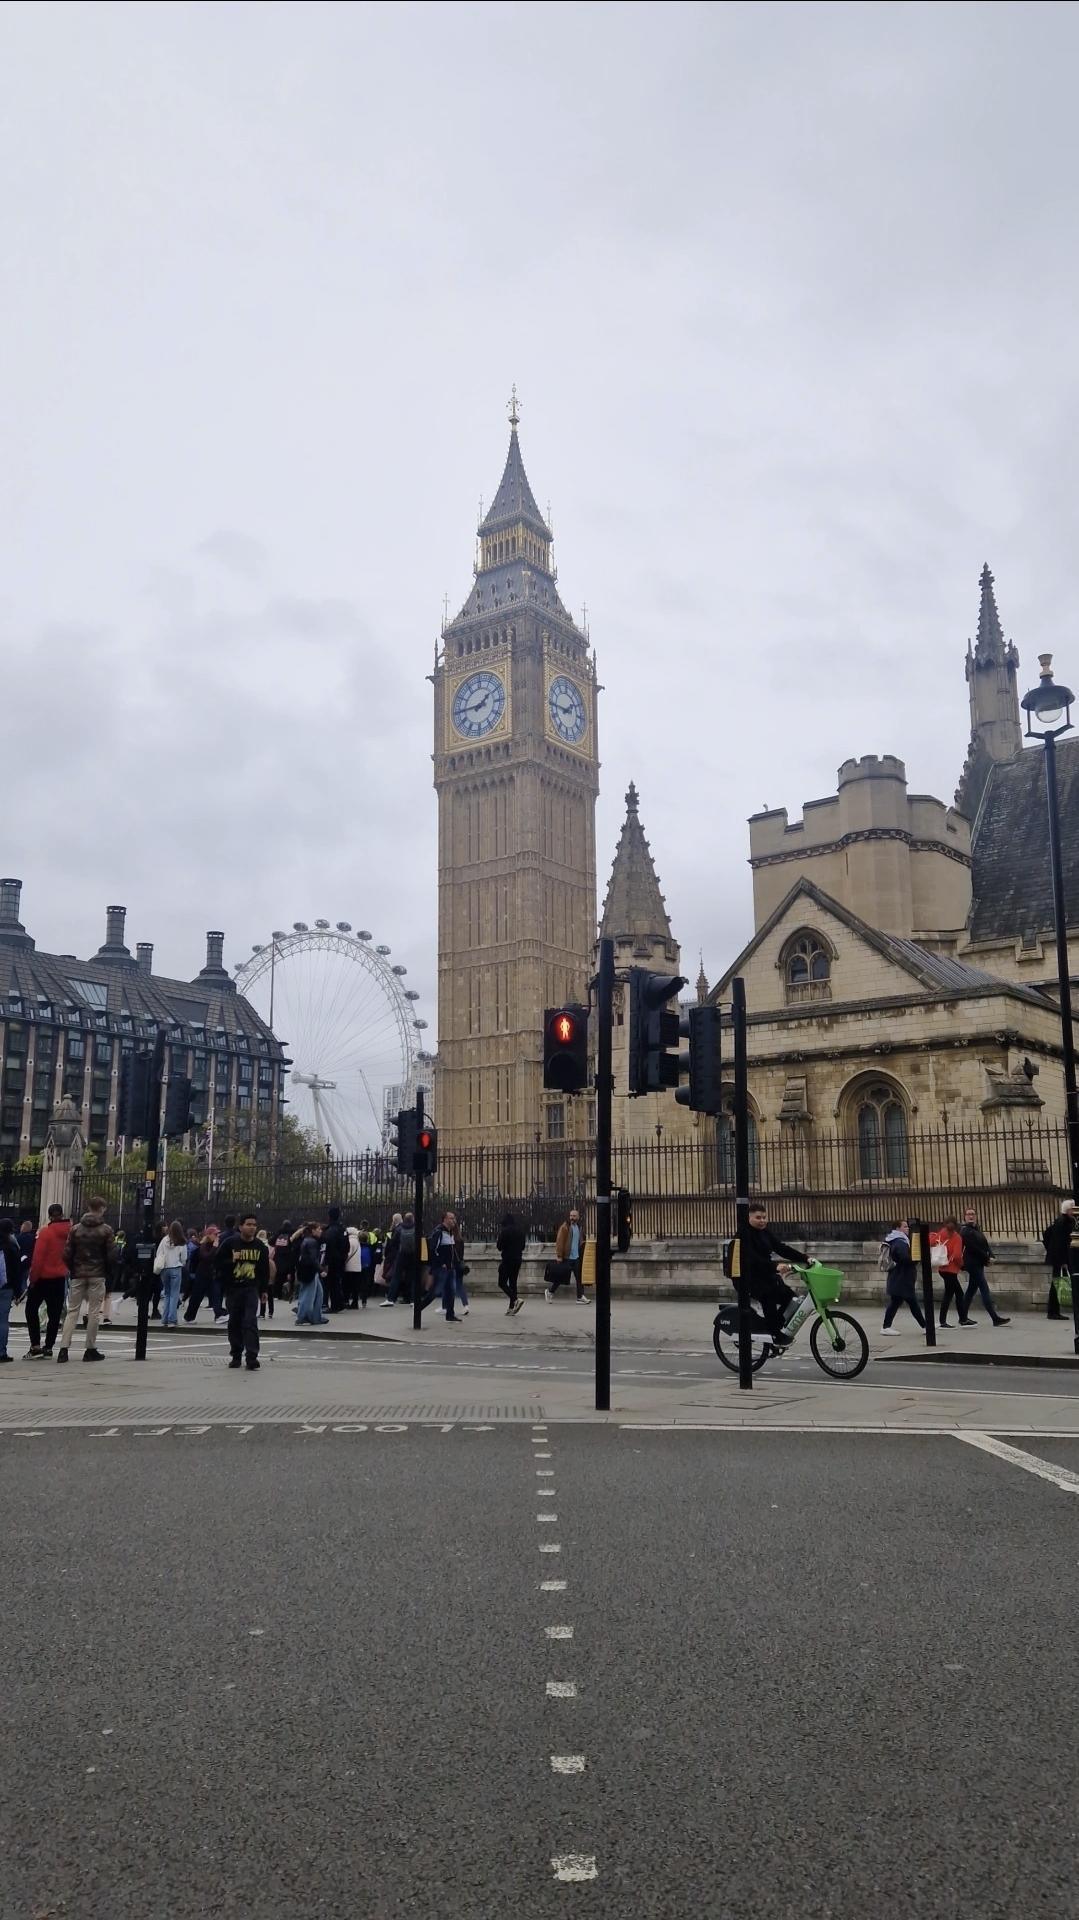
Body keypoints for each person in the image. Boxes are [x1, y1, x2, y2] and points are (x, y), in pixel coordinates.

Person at [57, 1196, 115, 1363]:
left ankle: (63, 1349)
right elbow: (112, 1255)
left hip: (78, 1273)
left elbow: (66, 1253)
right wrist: (107, 1271)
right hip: (97, 1274)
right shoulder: (106, 1230)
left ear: (89, 1207)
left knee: (72, 1311)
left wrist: (73, 1268)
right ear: (102, 1208)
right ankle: (90, 1349)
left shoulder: (75, 1229)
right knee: (94, 1312)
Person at [741, 1203, 808, 1343]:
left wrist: (805, 1258)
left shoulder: (765, 1232)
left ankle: (772, 1325)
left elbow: (781, 1248)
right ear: (748, 1218)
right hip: (749, 1278)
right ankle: (774, 1333)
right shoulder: (743, 1234)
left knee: (791, 1298)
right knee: (768, 1297)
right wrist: (775, 1266)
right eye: (758, 1217)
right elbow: (752, 1259)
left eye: (764, 1217)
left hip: (765, 1275)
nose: (762, 1221)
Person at [219, 1212, 267, 1370]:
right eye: (248, 1224)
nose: (252, 1228)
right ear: (241, 1227)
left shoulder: (260, 1247)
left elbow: (263, 1269)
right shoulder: (230, 1243)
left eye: (254, 1225)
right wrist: (231, 1260)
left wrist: (264, 1290)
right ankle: (236, 1355)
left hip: (251, 1288)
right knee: (234, 1322)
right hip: (234, 1288)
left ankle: (252, 1357)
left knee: (250, 1321)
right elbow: (217, 1262)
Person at [24, 1202, 71, 1358]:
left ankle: (35, 1346)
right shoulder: (70, 1232)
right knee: (54, 1313)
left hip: (43, 1278)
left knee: (31, 1310)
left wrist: (33, 1278)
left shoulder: (46, 1233)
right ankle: (49, 1347)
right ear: (62, 1214)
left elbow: (38, 1259)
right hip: (59, 1278)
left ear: (50, 1215)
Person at [960, 1207, 1009, 1327]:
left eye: (973, 1214)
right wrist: (986, 1258)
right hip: (973, 1264)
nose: (971, 1216)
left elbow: (985, 1245)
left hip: (979, 1263)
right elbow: (973, 1248)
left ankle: (963, 1318)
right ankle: (995, 1318)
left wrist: (991, 1255)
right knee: (984, 1289)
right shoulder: (965, 1231)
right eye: (968, 1214)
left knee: (971, 1291)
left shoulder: (977, 1229)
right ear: (965, 1217)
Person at [880, 1220, 927, 1334]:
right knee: (911, 1302)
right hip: (902, 1277)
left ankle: (886, 1327)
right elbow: (905, 1258)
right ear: (897, 1228)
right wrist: (915, 1259)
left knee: (897, 1302)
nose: (908, 1229)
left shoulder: (895, 1240)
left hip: (899, 1277)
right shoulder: (900, 1242)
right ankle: (925, 1326)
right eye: (905, 1226)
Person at [423, 1211, 465, 1321]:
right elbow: (433, 1249)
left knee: (451, 1291)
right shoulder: (439, 1232)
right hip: (442, 1268)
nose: (453, 1221)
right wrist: (441, 1263)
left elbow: (450, 1251)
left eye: (454, 1218)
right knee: (435, 1291)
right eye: (451, 1218)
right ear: (444, 1219)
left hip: (450, 1268)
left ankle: (450, 1315)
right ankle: (418, 1309)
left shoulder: (450, 1233)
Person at [933, 1217, 973, 1328]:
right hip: (951, 1269)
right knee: (957, 1294)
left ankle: (947, 1320)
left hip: (942, 1268)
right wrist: (962, 1266)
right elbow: (956, 1256)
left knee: (949, 1294)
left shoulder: (941, 1233)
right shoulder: (957, 1237)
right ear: (956, 1225)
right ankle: (961, 1319)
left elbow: (931, 1242)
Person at [1041, 1201, 1078, 1320]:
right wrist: (1062, 1261)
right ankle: (1052, 1312)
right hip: (1061, 1259)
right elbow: (1060, 1243)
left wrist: (1049, 1250)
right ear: (1068, 1210)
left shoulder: (1063, 1221)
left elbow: (1046, 1235)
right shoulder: (1063, 1222)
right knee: (1057, 1284)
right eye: (1073, 1209)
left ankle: (1053, 1311)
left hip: (1060, 1258)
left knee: (1056, 1284)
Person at [153, 1220, 188, 1328]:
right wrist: (181, 1263)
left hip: (165, 1269)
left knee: (167, 1294)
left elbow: (159, 1254)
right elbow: (184, 1257)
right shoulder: (181, 1241)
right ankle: (172, 1319)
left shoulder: (165, 1240)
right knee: (174, 1294)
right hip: (176, 1268)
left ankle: (165, 1319)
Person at [183, 1227, 220, 1321]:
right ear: (209, 1235)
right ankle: (189, 1316)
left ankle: (220, 1314)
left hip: (211, 1273)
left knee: (216, 1294)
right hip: (202, 1273)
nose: (217, 1237)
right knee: (197, 1296)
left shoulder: (216, 1245)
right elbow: (206, 1257)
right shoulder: (203, 1245)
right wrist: (215, 1247)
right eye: (215, 1234)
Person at [547, 1209, 585, 1302]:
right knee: (561, 1277)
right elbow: (559, 1241)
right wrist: (559, 1256)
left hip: (576, 1257)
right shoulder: (565, 1227)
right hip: (567, 1257)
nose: (572, 1217)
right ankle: (550, 1292)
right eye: (571, 1215)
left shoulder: (579, 1227)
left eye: (574, 1216)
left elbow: (580, 1240)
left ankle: (580, 1297)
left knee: (579, 1278)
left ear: (578, 1217)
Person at [294, 1223, 327, 1325]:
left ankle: (316, 1317)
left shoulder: (305, 1240)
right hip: (310, 1271)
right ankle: (303, 1317)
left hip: (305, 1270)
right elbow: (313, 1259)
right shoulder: (312, 1242)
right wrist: (321, 1270)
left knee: (319, 1294)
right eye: (318, 1229)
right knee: (308, 1295)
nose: (321, 1231)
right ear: (313, 1230)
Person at [0, 1216, 22, 1362]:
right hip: (6, 1287)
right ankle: (1, 1352)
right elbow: (16, 1271)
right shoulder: (12, 1246)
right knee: (2, 1320)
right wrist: (18, 1291)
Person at [496, 1211, 526, 1315]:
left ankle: (515, 1299)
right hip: (518, 1259)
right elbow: (523, 1246)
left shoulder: (504, 1231)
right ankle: (511, 1308)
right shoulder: (521, 1231)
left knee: (502, 1282)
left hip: (507, 1259)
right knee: (513, 1283)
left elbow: (499, 1247)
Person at [322, 1206, 348, 1314]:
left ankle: (334, 1305)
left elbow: (328, 1247)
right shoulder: (343, 1229)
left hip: (332, 1260)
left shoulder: (330, 1230)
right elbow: (347, 1246)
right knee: (336, 1282)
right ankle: (338, 1303)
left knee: (330, 1283)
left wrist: (326, 1262)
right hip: (340, 1259)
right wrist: (343, 1256)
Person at [379, 1214, 404, 1304]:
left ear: (394, 1220)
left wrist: (387, 1256)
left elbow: (392, 1244)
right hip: (406, 1254)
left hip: (396, 1256)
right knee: (406, 1276)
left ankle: (391, 1298)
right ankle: (408, 1297)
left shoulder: (396, 1230)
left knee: (395, 1276)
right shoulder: (406, 1228)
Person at [272, 1221, 298, 1302]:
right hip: (289, 1258)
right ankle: (290, 1293)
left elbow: (271, 1241)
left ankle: (277, 1294)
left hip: (278, 1258)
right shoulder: (291, 1235)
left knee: (278, 1277)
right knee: (291, 1276)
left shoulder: (278, 1235)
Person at [344, 1220, 363, 1310]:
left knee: (347, 1285)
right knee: (356, 1286)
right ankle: (355, 1302)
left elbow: (348, 1254)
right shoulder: (357, 1241)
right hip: (357, 1267)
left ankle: (347, 1301)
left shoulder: (350, 1241)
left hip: (349, 1267)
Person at [257, 1228, 276, 1318]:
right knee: (270, 1290)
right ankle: (271, 1311)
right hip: (270, 1266)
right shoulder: (269, 1246)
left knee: (262, 1291)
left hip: (261, 1268)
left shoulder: (256, 1244)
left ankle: (262, 1312)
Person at [17, 1217, 36, 1292]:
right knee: (25, 1277)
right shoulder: (33, 1238)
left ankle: (21, 1292)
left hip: (20, 1260)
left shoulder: (18, 1237)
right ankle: (24, 1290)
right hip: (29, 1260)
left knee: (20, 1277)